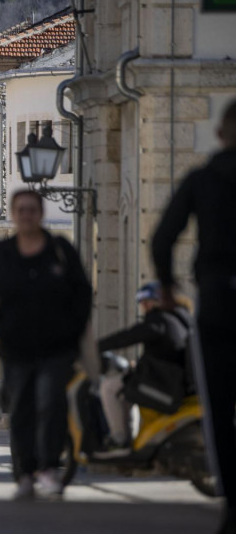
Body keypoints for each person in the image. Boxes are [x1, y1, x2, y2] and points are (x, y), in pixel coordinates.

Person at [0, 190, 92, 501]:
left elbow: (82, 293)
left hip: (57, 347)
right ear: (14, 213)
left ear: (40, 213)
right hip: (16, 348)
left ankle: (49, 467)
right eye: (21, 210)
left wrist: (73, 329)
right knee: (22, 409)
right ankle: (25, 473)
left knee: (52, 403)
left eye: (32, 210)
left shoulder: (59, 250)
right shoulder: (2, 255)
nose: (26, 215)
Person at [151, 99, 236, 534]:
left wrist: (166, 286)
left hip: (219, 300)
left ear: (220, 134)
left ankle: (231, 501)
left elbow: (164, 237)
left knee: (219, 404)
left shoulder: (203, 180)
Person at [97, 282, 193, 453]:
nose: (145, 306)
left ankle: (119, 438)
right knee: (125, 386)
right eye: (142, 302)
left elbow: (127, 337)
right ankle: (129, 437)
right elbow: (162, 351)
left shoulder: (159, 320)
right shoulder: (181, 318)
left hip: (163, 382)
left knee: (108, 387)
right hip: (171, 378)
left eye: (148, 301)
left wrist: (95, 347)